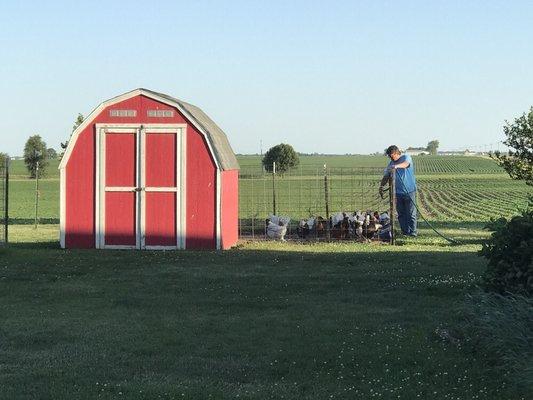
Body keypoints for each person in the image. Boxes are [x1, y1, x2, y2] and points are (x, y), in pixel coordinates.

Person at [379, 145, 418, 236]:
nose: (390, 157)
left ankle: (413, 233)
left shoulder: (406, 157)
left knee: (411, 213)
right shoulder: (390, 164)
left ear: (396, 153)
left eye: (391, 155)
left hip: (410, 191)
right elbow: (386, 176)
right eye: (389, 156)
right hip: (397, 193)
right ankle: (405, 232)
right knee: (401, 214)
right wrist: (381, 187)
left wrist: (396, 166)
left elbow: (406, 164)